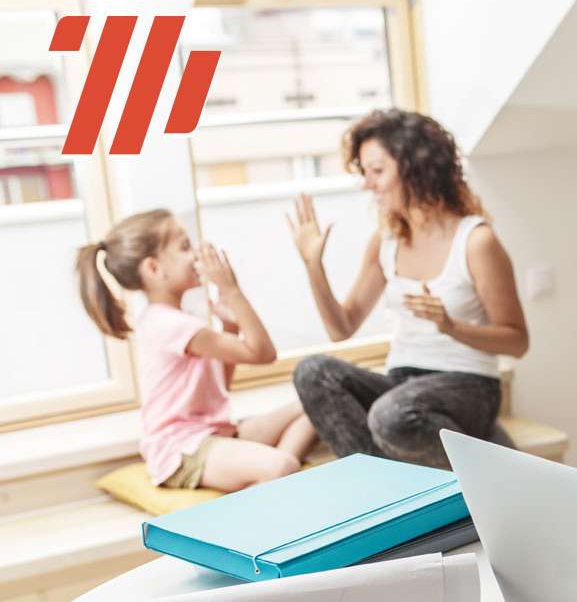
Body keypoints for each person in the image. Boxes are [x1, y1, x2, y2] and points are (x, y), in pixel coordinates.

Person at [289, 108, 528, 468]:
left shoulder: (476, 242)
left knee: (391, 415)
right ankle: (386, 486)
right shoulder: (386, 242)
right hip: (402, 386)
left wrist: (452, 327)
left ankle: (419, 482)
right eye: (365, 173)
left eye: (377, 171)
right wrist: (313, 267)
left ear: (416, 168)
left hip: (468, 387)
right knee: (312, 372)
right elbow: (341, 328)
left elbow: (517, 341)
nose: (367, 184)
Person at [76, 211, 315, 492]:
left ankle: (276, 480)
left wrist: (229, 326)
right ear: (154, 269)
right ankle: (280, 473)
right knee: (281, 466)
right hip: (182, 450)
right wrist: (232, 290)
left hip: (213, 435)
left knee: (314, 405)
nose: (196, 254)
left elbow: (217, 387)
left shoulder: (175, 320)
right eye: (185, 247)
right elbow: (264, 354)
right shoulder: (172, 325)